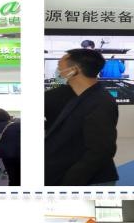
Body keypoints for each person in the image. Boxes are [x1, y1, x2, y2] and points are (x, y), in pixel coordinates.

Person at [45, 48, 119, 185]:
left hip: (90, 180)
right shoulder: (72, 95)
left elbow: (102, 150)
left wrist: (70, 182)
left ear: (74, 70)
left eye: (60, 67)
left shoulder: (100, 101)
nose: (58, 71)